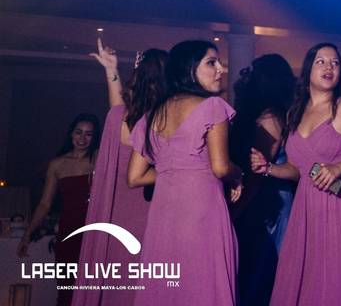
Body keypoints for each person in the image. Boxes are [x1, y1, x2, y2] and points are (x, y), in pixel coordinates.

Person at [259, 42, 341, 306]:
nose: (329, 67)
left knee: (339, 278)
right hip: (306, 207)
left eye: (335, 63)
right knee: (308, 276)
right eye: (321, 61)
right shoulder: (295, 113)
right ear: (308, 70)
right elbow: (298, 170)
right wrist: (268, 168)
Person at [128, 40, 242, 305]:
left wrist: (174, 170)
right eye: (211, 62)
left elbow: (134, 178)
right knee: (204, 285)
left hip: (164, 216)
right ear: (190, 69)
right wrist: (239, 174)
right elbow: (221, 167)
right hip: (202, 212)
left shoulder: (151, 115)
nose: (221, 69)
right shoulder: (213, 107)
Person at [76, 41, 166, 306]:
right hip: (148, 211)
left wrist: (111, 71)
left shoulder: (120, 117)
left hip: (116, 212)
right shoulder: (161, 121)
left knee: (118, 278)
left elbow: (116, 105)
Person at [230, 54, 296, 306]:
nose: (246, 77)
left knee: (260, 273)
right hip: (264, 197)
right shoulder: (273, 113)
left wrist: (236, 211)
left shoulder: (270, 118)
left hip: (266, 200)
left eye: (253, 73)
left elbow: (258, 172)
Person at [19, 113, 101, 306]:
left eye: (88, 134)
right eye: (78, 132)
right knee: (67, 289)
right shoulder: (57, 164)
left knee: (95, 289)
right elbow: (45, 204)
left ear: (95, 137)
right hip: (69, 231)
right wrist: (27, 234)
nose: (82, 138)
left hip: (96, 232)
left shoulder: (99, 157)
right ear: (71, 134)